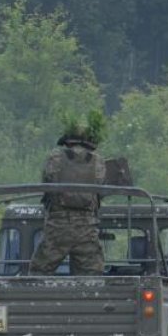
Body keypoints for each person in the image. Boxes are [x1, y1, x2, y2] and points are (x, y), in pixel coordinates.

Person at [29, 111, 107, 276]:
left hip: (58, 225)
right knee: (92, 275)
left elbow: (47, 183)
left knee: (39, 272)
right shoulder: (98, 161)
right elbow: (100, 188)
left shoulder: (55, 157)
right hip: (87, 227)